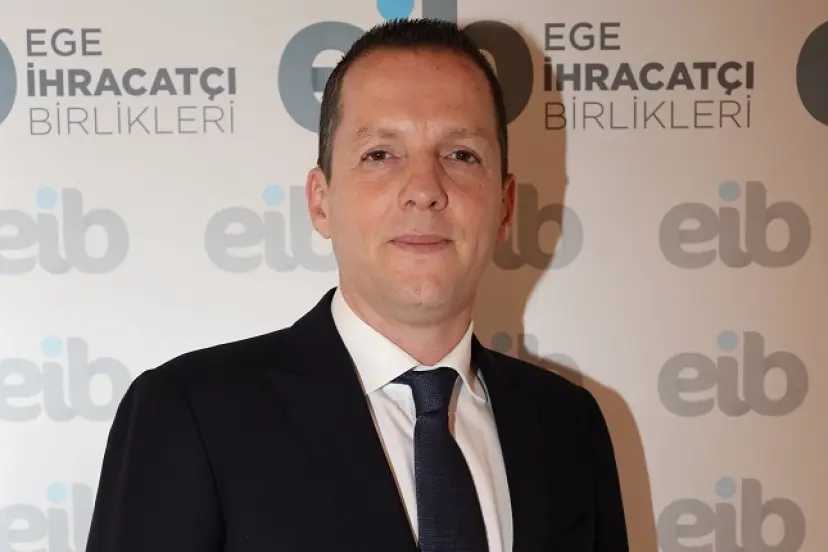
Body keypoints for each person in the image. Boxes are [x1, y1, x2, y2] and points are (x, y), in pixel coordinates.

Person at [85, 17, 629, 552]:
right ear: (321, 201)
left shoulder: (570, 428)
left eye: (461, 155)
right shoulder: (191, 415)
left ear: (505, 206)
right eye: (381, 155)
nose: (424, 189)